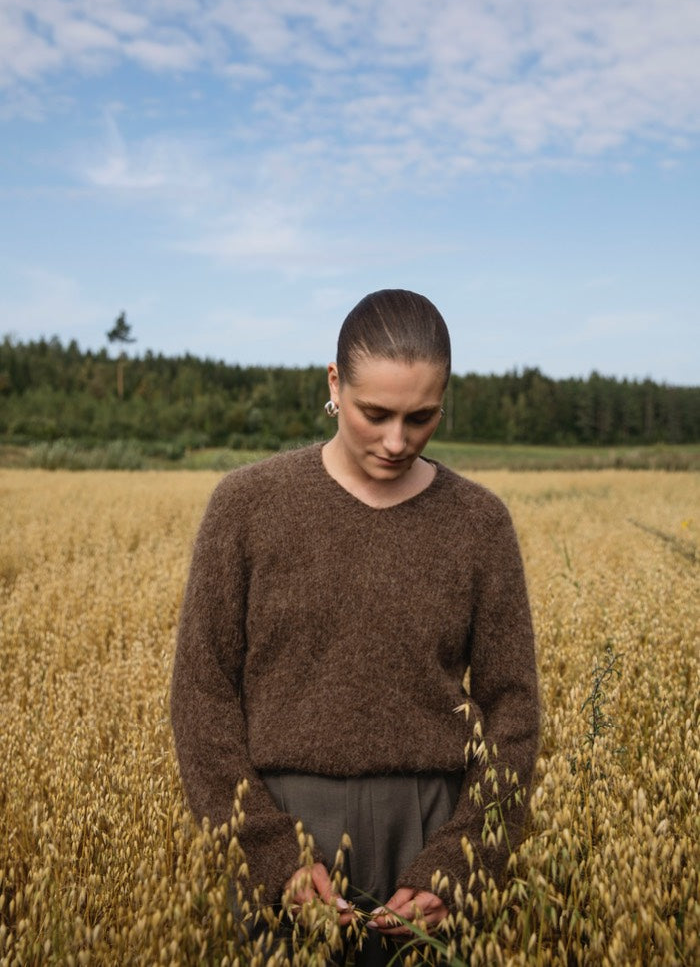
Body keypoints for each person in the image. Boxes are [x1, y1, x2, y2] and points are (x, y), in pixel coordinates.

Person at [170, 289, 540, 965]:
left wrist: (460, 859)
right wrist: (270, 851)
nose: (397, 441)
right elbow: (203, 694)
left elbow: (512, 707)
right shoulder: (246, 506)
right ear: (334, 384)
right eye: (376, 413)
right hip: (282, 817)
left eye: (421, 416)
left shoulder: (480, 523)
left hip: (432, 825)